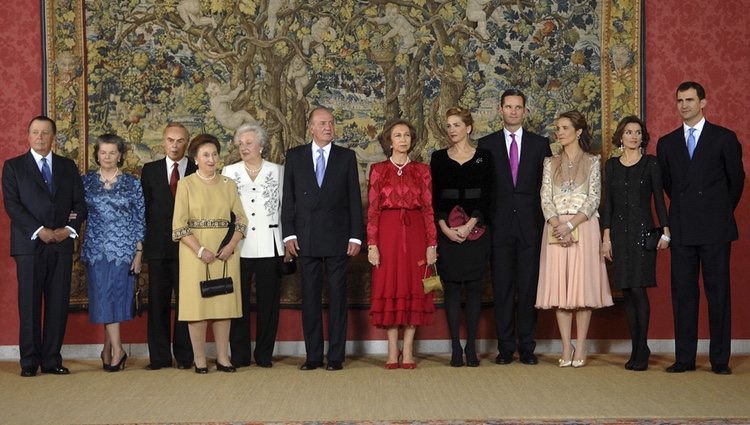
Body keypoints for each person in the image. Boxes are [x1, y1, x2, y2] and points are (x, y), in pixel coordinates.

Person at [656, 81, 745, 375]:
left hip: (715, 228)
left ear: (703, 102)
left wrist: (718, 211)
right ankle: (684, 358)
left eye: (690, 100)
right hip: (681, 228)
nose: (684, 105)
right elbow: (668, 184)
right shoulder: (667, 143)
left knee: (718, 293)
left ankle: (720, 359)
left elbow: (736, 182)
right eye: (680, 100)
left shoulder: (724, 138)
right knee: (683, 294)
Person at [2, 116, 87, 377]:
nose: (40, 137)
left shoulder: (67, 167)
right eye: (35, 132)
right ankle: (29, 362)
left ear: (54, 137)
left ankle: (51, 360)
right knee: (29, 305)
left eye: (45, 133)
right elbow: (13, 206)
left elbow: (79, 205)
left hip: (61, 245)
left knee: (58, 304)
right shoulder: (14, 167)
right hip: (29, 246)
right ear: (28, 136)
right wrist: (41, 231)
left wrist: (67, 230)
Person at [281, 106, 364, 371]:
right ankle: (313, 355)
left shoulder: (346, 157)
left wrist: (356, 237)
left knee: (338, 300)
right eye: (322, 123)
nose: (328, 127)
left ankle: (336, 356)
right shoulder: (295, 156)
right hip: (305, 238)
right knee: (310, 300)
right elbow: (289, 198)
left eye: (331, 122)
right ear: (311, 128)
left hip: (338, 238)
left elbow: (354, 199)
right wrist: (289, 234)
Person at [477, 89, 551, 365]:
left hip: (531, 227)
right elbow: (484, 190)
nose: (513, 111)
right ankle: (506, 348)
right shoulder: (486, 144)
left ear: (525, 111)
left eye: (518, 107)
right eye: (508, 107)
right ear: (500, 110)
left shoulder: (540, 144)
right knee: (503, 288)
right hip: (499, 227)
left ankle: (528, 348)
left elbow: (547, 188)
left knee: (529, 288)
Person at [535, 110, 612, 368]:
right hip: (555, 228)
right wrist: (558, 225)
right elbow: (545, 198)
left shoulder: (592, 162)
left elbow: (593, 199)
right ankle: (566, 346)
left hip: (584, 226)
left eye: (565, 128)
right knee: (560, 289)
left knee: (581, 289)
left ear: (578, 132)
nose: (559, 132)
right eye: (558, 128)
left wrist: (570, 225)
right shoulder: (549, 163)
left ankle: (582, 343)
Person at [172, 134, 247, 373]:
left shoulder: (228, 185)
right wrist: (200, 250)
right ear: (195, 159)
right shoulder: (186, 185)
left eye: (214, 154)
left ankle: (224, 358)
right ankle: (200, 359)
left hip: (225, 252)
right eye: (206, 155)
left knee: (223, 305)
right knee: (198, 307)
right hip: (195, 253)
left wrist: (232, 244)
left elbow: (242, 220)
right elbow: (179, 225)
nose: (211, 159)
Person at [601, 116, 670, 371]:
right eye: (629, 132)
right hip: (619, 234)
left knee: (639, 289)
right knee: (627, 291)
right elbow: (608, 204)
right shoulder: (612, 166)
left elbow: (660, 201)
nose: (634, 136)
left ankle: (642, 347)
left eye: (638, 132)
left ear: (643, 137)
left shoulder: (651, 164)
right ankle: (637, 347)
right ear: (621, 136)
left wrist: (666, 232)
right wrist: (606, 238)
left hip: (643, 234)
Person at [367, 119, 437, 370]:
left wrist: (432, 244)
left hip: (416, 233)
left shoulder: (422, 170)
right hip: (387, 234)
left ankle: (408, 350)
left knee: (413, 288)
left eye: (407, 135)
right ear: (389, 141)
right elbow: (373, 210)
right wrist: (372, 244)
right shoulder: (378, 170)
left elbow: (429, 209)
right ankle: (391, 350)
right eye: (397, 135)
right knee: (390, 286)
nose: (403, 139)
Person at [431, 108, 492, 367]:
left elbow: (488, 196)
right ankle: (456, 347)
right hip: (448, 233)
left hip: (476, 232)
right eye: (448, 125)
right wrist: (444, 228)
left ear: (468, 127)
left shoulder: (484, 157)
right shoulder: (438, 158)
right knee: (453, 291)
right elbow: (435, 197)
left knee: (475, 291)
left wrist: (470, 225)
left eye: (456, 124)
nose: (452, 129)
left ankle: (472, 349)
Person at [223, 124, 285, 368]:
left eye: (249, 143)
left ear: (261, 145)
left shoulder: (278, 171)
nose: (244, 147)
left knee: (269, 302)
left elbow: (285, 209)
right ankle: (239, 354)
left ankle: (264, 354)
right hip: (238, 246)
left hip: (270, 245)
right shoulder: (229, 171)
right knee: (238, 301)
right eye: (241, 143)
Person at [81, 134, 145, 372]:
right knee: (102, 297)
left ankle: (115, 350)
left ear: (120, 155)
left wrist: (139, 251)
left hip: (123, 249)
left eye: (112, 153)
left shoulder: (132, 183)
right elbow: (76, 209)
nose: (107, 157)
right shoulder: (85, 182)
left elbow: (140, 218)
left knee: (114, 296)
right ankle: (110, 349)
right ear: (97, 154)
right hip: (95, 249)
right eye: (103, 152)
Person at [140, 122, 196, 370]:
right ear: (163, 142)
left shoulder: (197, 169)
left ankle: (184, 357)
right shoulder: (149, 170)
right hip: (159, 248)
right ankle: (160, 357)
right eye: (170, 140)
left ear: (187, 142)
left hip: (189, 248)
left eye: (180, 140)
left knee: (187, 303)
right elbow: (144, 211)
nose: (175, 145)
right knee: (158, 302)